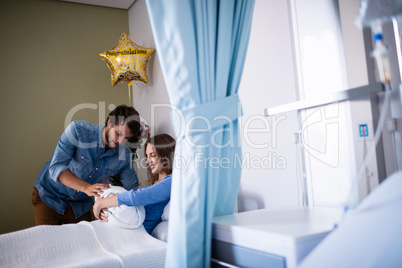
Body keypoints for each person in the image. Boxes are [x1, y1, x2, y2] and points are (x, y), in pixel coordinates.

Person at [32, 105, 141, 226]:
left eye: (126, 138)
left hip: (80, 206)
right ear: (109, 123)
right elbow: (56, 167)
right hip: (49, 197)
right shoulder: (77, 131)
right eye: (118, 133)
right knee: (49, 243)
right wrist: (86, 188)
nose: (121, 141)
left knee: (85, 243)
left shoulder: (124, 155)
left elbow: (132, 189)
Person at [93, 133, 176, 234]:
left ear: (166, 155)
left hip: (136, 233)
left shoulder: (171, 181)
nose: (147, 161)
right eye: (147, 156)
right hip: (121, 226)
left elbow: (137, 197)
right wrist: (107, 211)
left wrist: (101, 203)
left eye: (152, 155)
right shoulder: (149, 185)